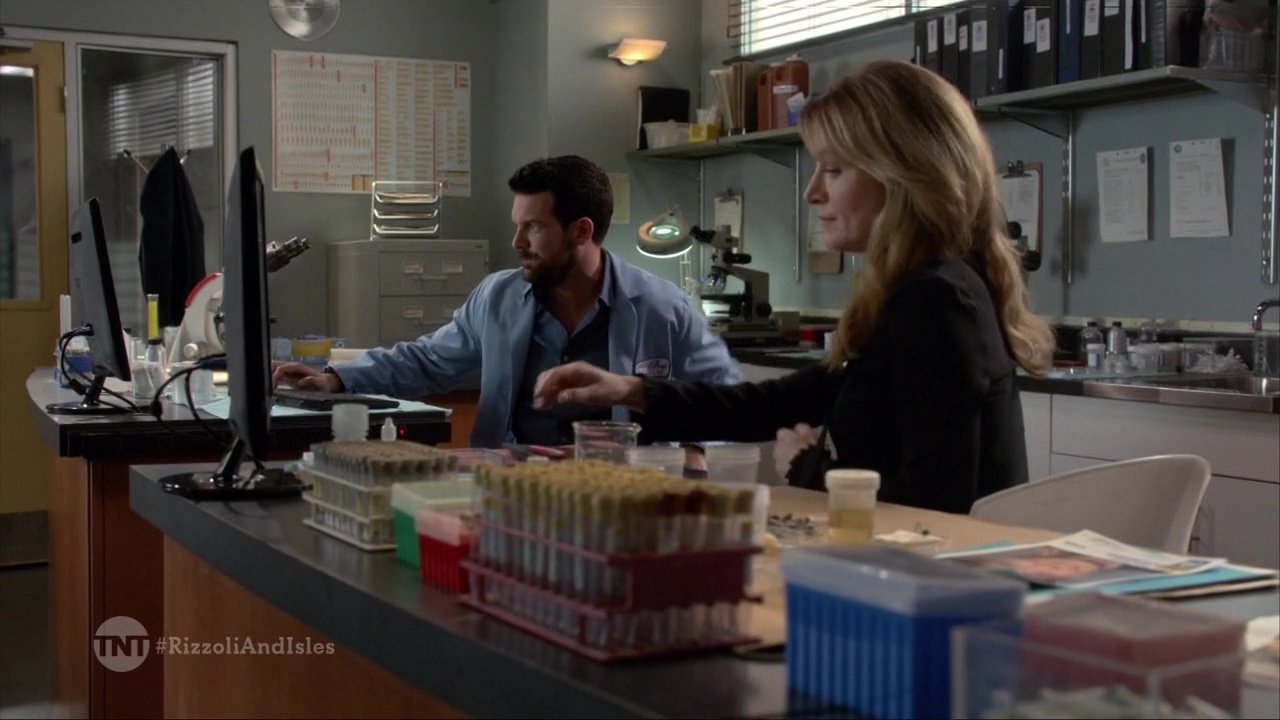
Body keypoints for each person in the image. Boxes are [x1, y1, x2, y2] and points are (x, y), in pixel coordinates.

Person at [532, 61, 1055, 514]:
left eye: (834, 170)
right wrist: (629, 390)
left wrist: (807, 468)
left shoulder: (935, 301)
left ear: (903, 176)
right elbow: (771, 404)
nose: (812, 192)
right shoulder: (913, 294)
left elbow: (934, 503)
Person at [273, 155, 741, 447]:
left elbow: (726, 400)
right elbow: (427, 361)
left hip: (616, 495)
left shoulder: (663, 307)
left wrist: (693, 456)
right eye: (517, 224)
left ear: (581, 231)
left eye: (533, 226)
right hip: (510, 484)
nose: (517, 241)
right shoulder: (497, 296)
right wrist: (337, 378)